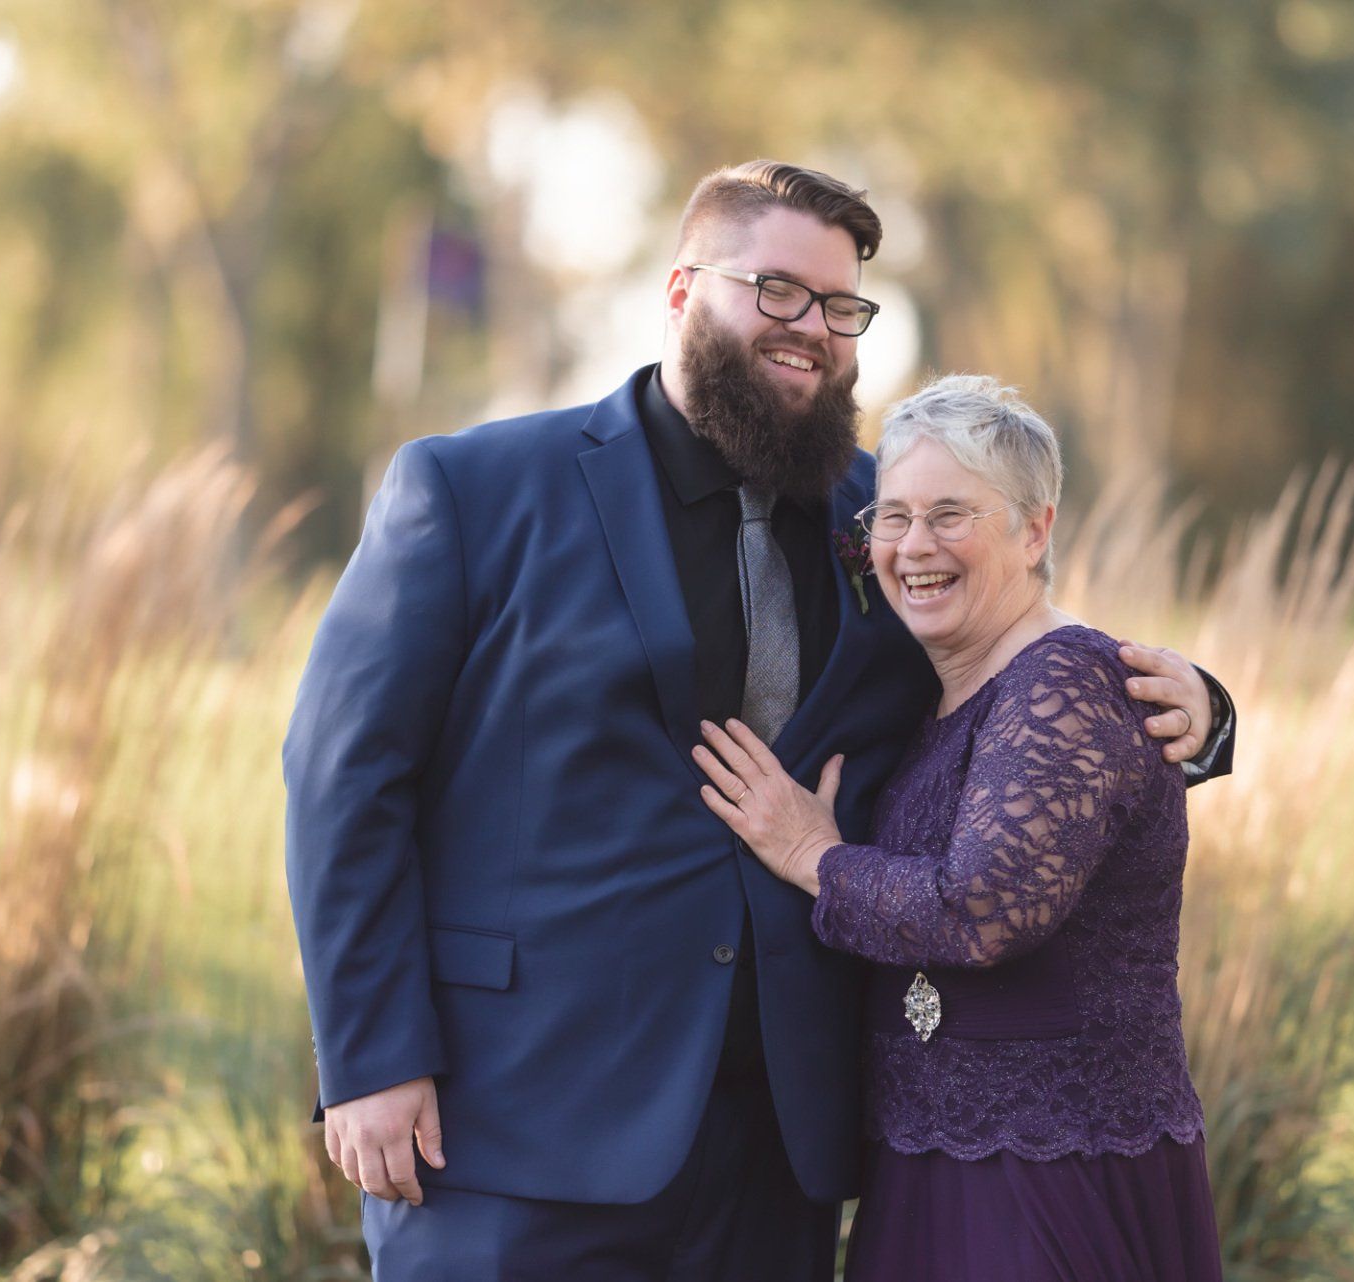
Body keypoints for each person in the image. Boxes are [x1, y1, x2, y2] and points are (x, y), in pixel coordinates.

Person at [282, 161, 1236, 1280]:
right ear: (684, 291)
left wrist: (1197, 712)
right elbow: (343, 773)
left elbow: (1016, 664)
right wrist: (370, 1055)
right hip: (513, 1125)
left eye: (842, 307)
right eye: (777, 290)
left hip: (780, 1150)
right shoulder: (477, 489)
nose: (813, 330)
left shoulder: (882, 520)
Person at [696, 374, 1223, 1281]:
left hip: (1052, 1171)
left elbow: (980, 912)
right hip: (931, 1159)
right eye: (892, 519)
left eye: (951, 514)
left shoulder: (1065, 684)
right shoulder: (939, 686)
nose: (913, 546)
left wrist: (811, 855)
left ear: (1035, 530)